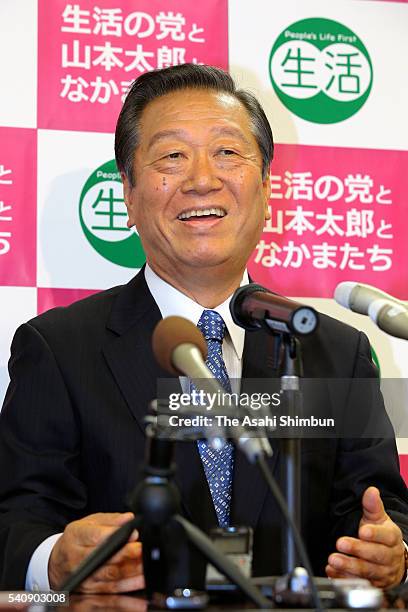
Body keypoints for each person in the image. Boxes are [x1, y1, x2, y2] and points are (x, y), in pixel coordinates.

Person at [0, 64, 407, 594]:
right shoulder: (58, 349)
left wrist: (387, 554)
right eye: (172, 156)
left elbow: (377, 510)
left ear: (265, 189)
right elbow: (16, 519)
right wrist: (53, 560)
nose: (201, 179)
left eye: (227, 153)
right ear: (127, 190)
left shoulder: (335, 349)